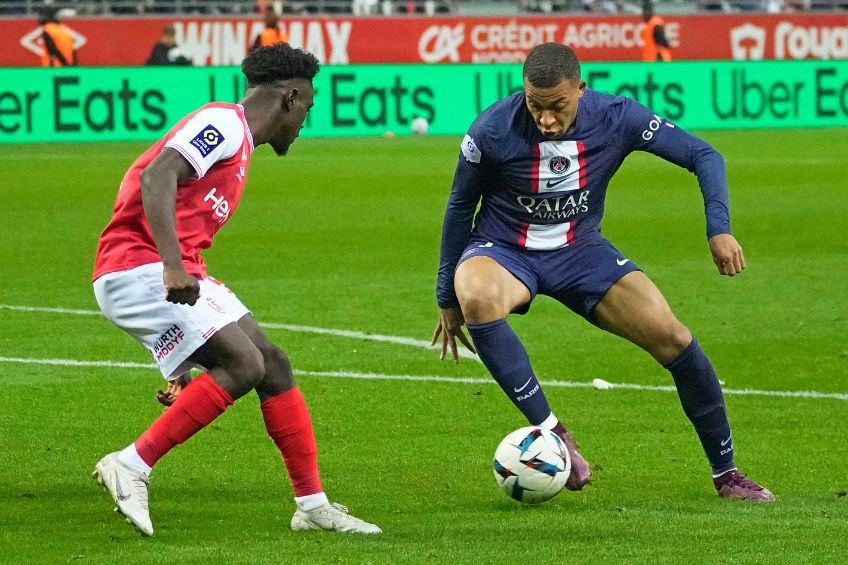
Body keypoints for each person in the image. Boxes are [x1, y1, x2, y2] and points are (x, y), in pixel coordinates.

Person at [432, 42, 774, 502]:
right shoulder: (490, 130)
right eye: (535, 105)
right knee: (475, 294)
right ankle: (555, 435)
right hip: (504, 249)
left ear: (580, 88)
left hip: (581, 251)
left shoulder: (618, 116)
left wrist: (719, 229)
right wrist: (445, 297)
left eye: (557, 107)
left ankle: (727, 474)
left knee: (674, 338)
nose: (546, 119)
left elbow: (704, 155)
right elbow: (459, 207)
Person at [91, 43, 381, 536]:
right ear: (290, 97)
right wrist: (172, 266)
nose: (306, 119)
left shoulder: (240, 140)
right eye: (307, 106)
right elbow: (159, 173)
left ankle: (311, 506)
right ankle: (131, 464)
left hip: (176, 268)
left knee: (272, 364)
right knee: (243, 364)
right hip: (136, 266)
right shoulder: (224, 123)